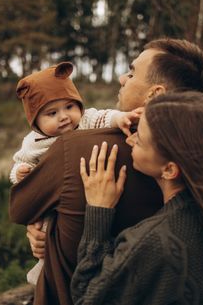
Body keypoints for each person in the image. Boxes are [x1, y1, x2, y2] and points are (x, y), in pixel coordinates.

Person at [9, 38, 203, 305]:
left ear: (156, 93)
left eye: (131, 72)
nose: (120, 78)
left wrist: (48, 228)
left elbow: (19, 208)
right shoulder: (202, 162)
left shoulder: (76, 149)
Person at [72, 91, 203, 305]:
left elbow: (86, 298)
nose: (130, 138)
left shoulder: (153, 243)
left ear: (169, 169)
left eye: (140, 138)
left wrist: (98, 211)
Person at [9, 61, 140, 285]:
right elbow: (20, 163)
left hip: (83, 193)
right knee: (45, 228)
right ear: (35, 122)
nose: (64, 117)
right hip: (52, 198)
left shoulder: (87, 120)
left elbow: (105, 116)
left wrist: (120, 118)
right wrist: (19, 173)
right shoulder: (33, 143)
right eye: (52, 113)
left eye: (70, 107)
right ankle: (43, 266)